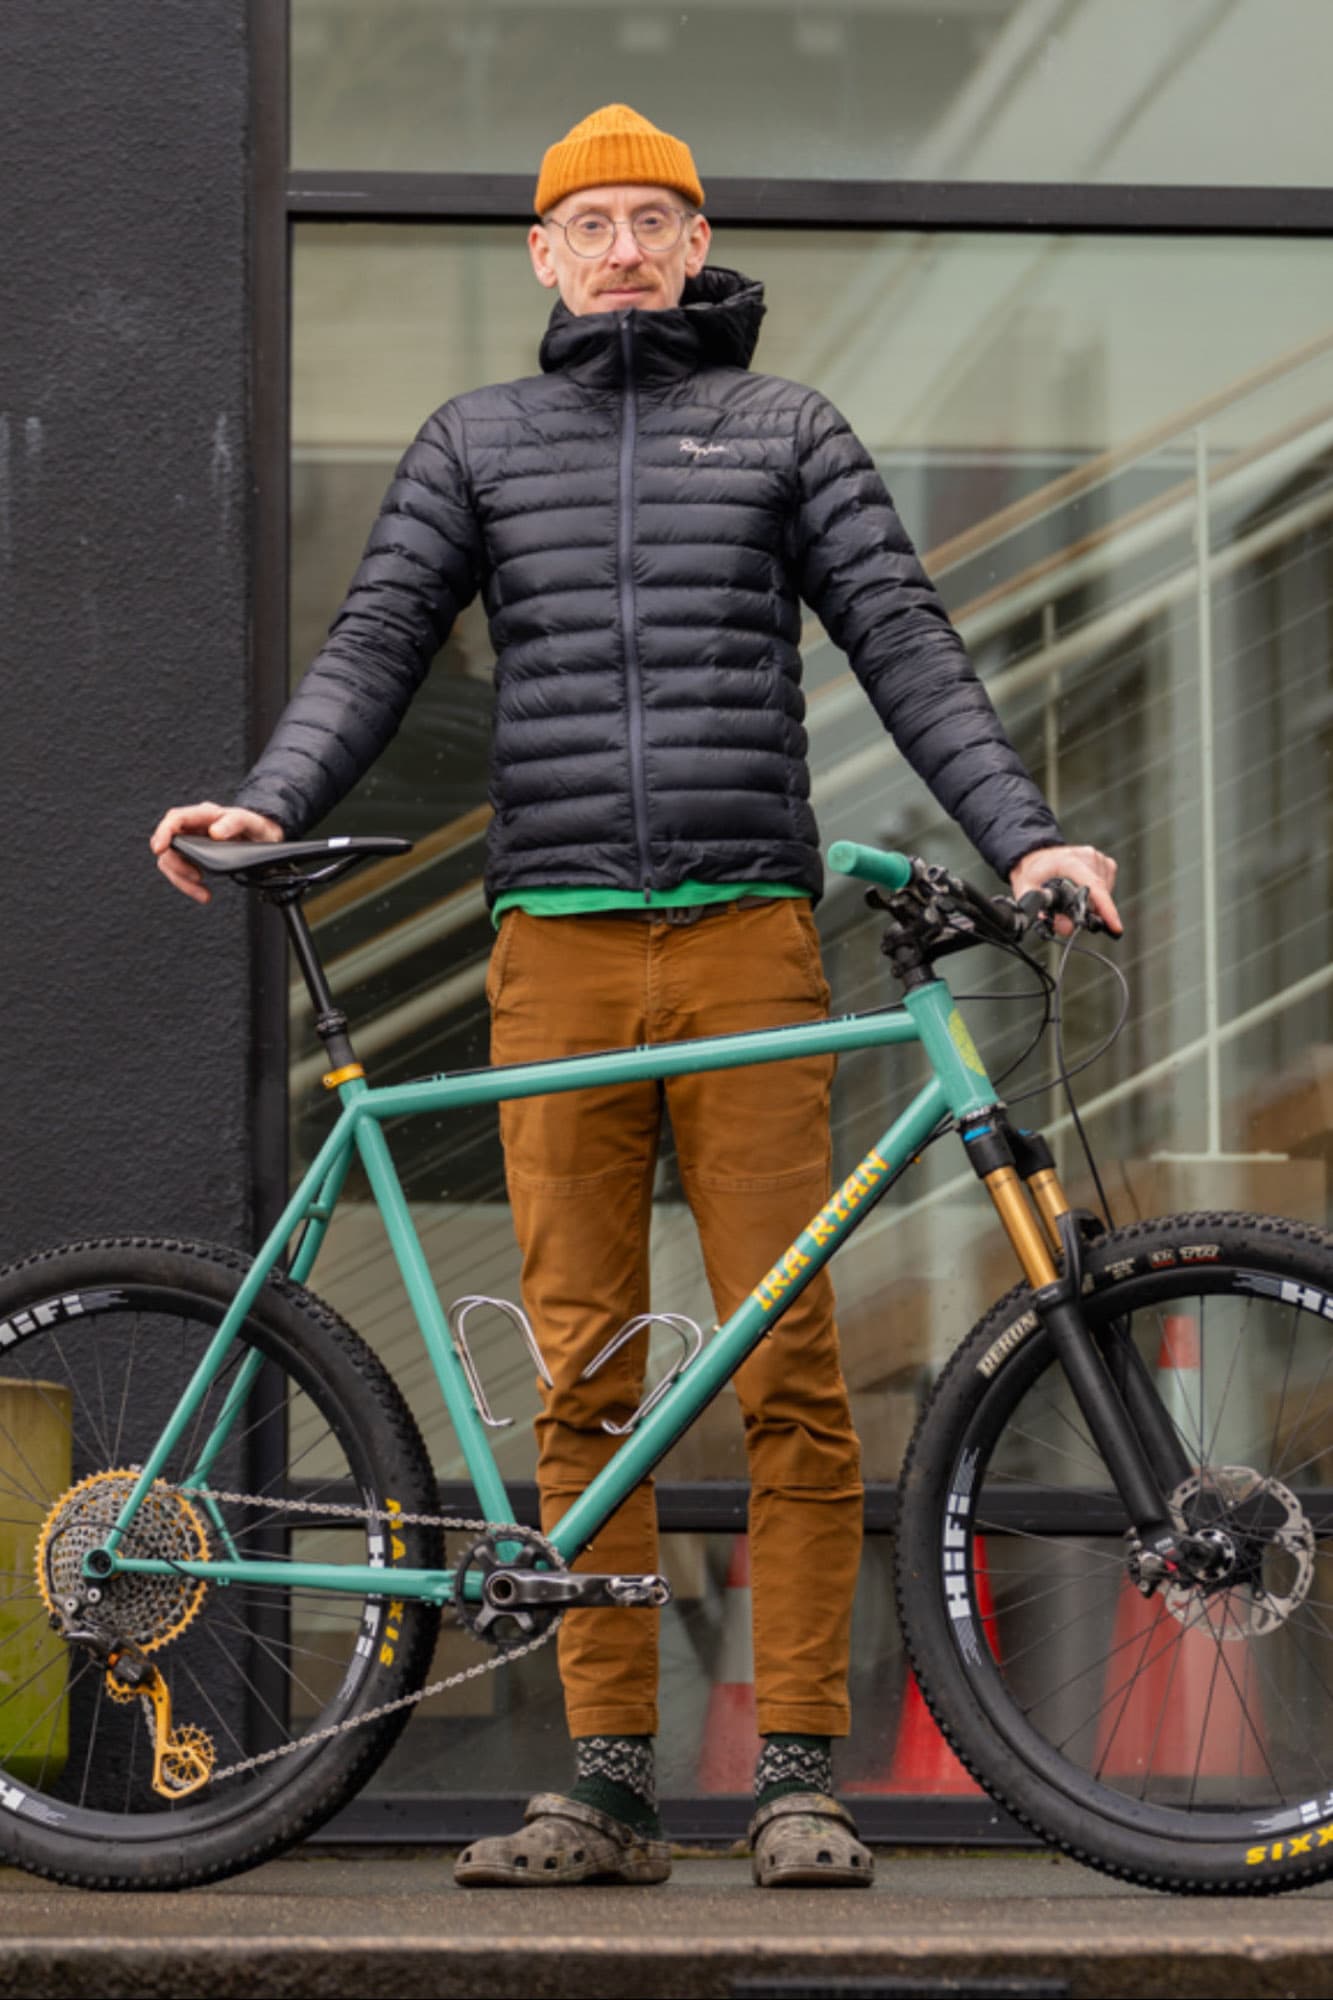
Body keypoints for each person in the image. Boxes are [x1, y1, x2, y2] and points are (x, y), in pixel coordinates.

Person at [152, 104, 1120, 1890]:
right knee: (581, 1360)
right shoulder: (476, 439)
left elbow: (904, 639)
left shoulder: (784, 429)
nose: (618, 249)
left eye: (649, 221)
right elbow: (375, 640)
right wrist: (272, 799)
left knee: (788, 1363)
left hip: (749, 935)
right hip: (558, 944)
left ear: (695, 244)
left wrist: (1026, 834)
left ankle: (798, 1774)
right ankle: (600, 1783)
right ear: (542, 252)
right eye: (586, 222)